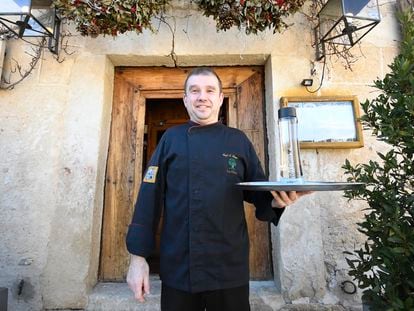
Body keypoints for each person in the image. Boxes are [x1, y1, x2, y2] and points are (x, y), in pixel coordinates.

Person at [126, 67, 310, 311]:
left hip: (229, 267)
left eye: (210, 90)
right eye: (195, 91)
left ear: (220, 98)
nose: (202, 96)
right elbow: (148, 199)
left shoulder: (238, 141)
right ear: (185, 99)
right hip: (180, 267)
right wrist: (138, 259)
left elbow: (261, 196)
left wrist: (278, 201)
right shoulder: (170, 139)